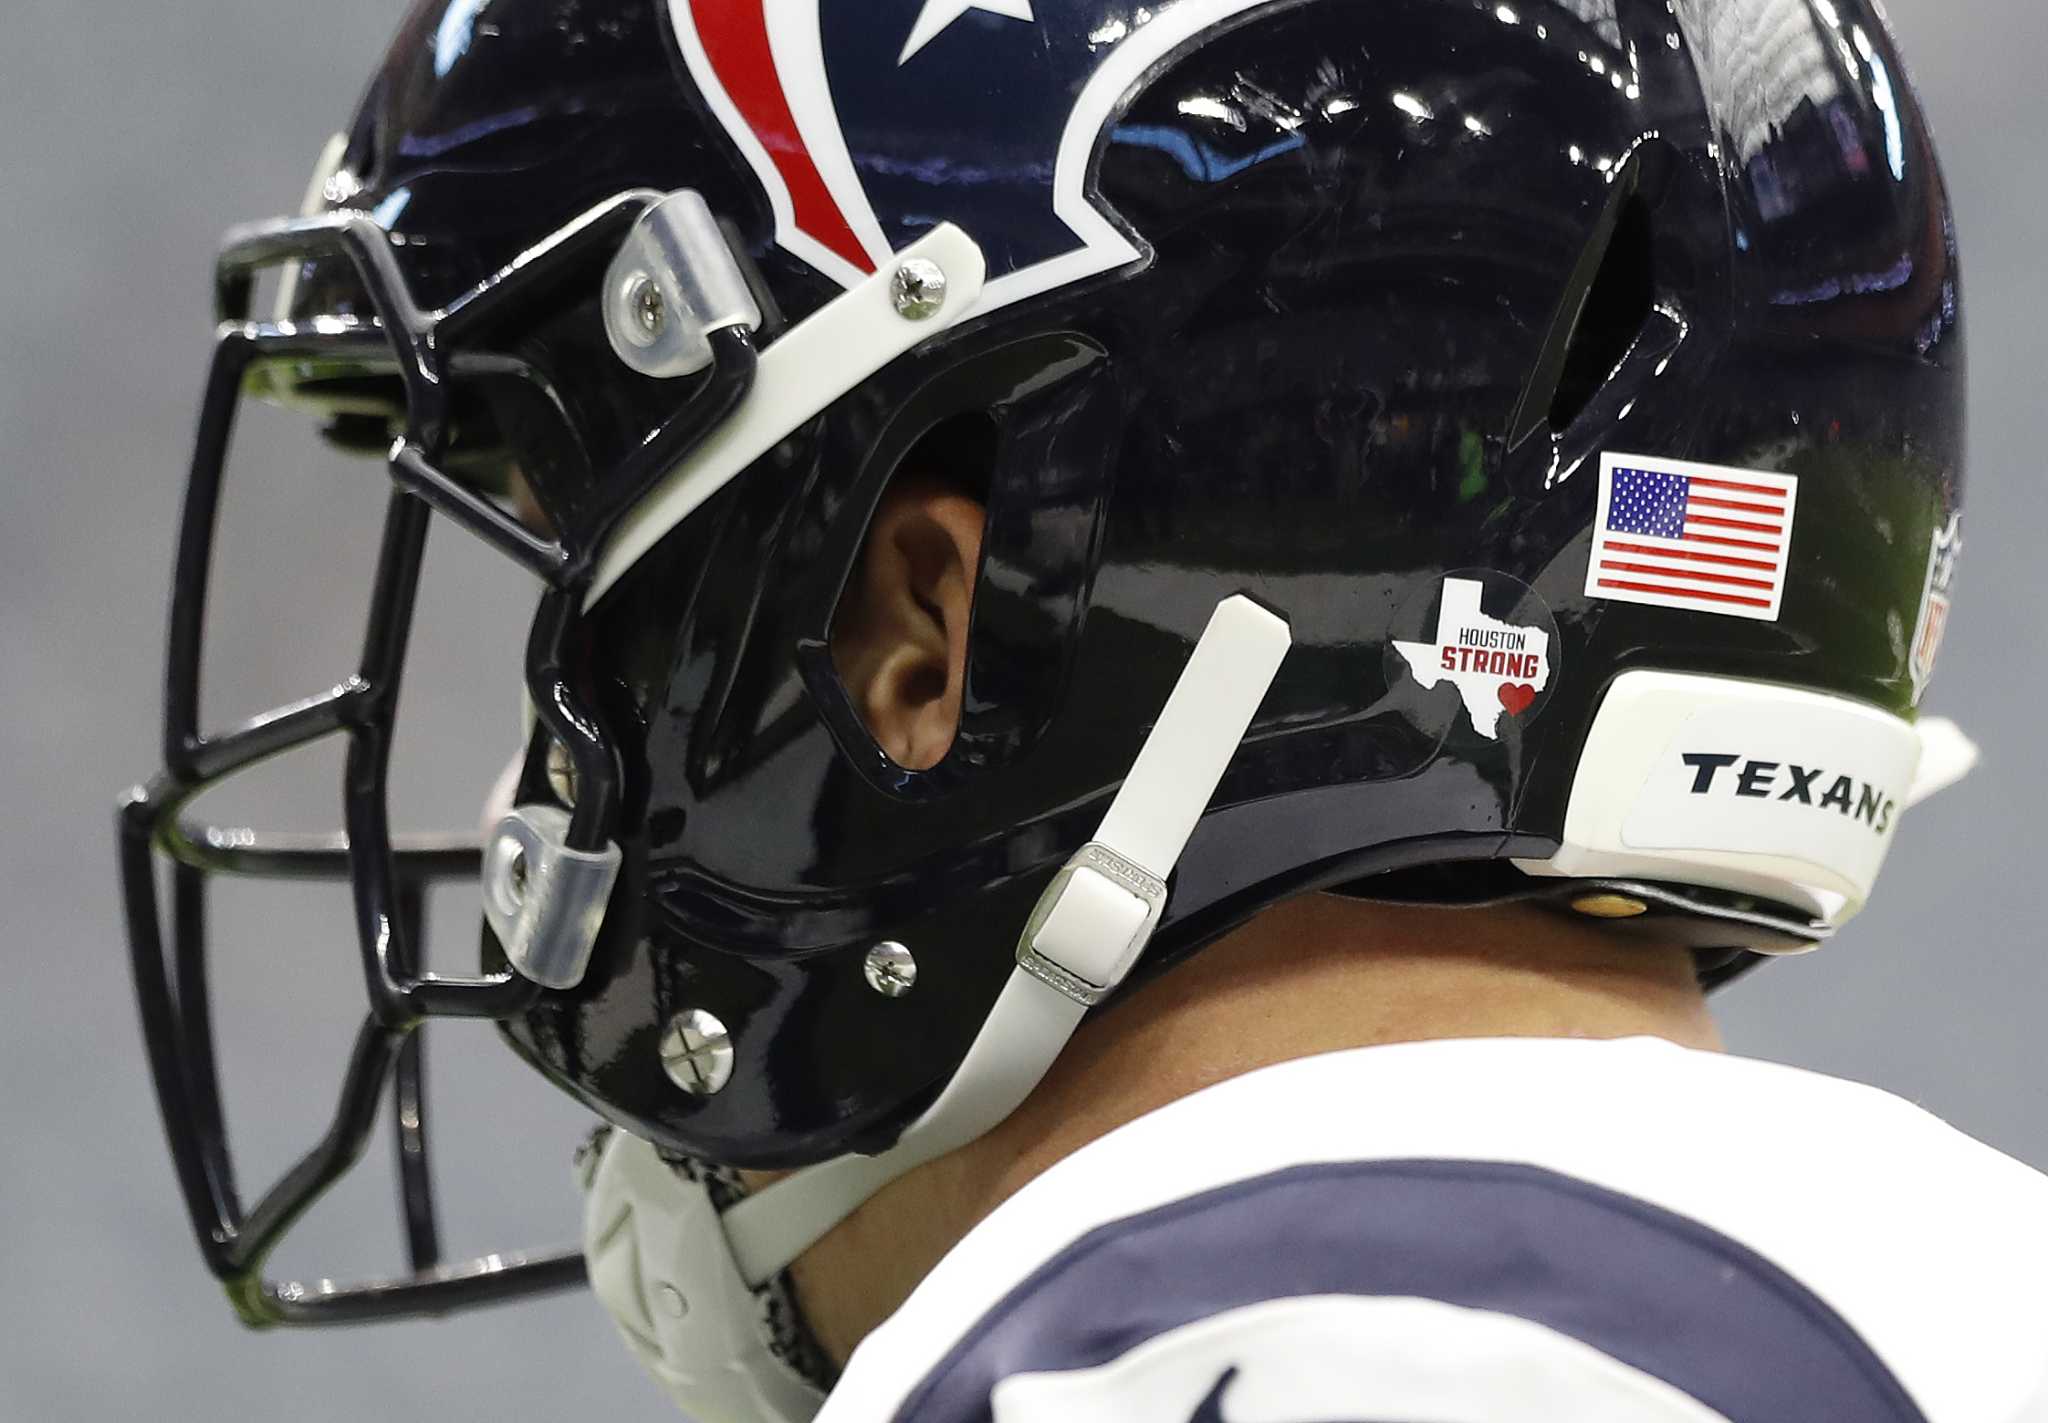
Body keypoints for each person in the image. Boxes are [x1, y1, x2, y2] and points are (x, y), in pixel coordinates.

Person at [117, 0, 2046, 1417]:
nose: (535, 786)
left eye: (603, 591)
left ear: (920, 640)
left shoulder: (1181, 1359)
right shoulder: (1971, 1283)